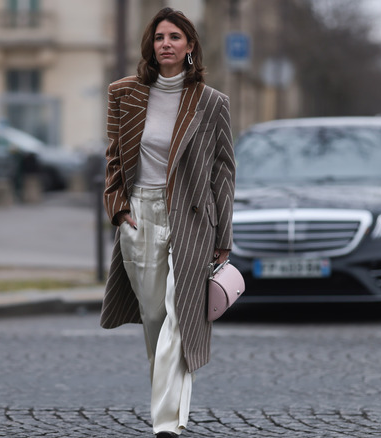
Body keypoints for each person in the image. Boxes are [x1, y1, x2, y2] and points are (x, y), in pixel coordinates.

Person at [100, 7, 235, 437]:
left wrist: (224, 234)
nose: (166, 44)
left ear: (190, 45)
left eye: (175, 36)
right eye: (159, 37)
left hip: (193, 218)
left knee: (181, 315)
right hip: (141, 213)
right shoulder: (124, 94)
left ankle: (165, 426)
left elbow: (223, 171)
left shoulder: (212, 103)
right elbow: (114, 160)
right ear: (150, 45)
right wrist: (119, 210)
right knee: (156, 317)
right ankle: (171, 412)